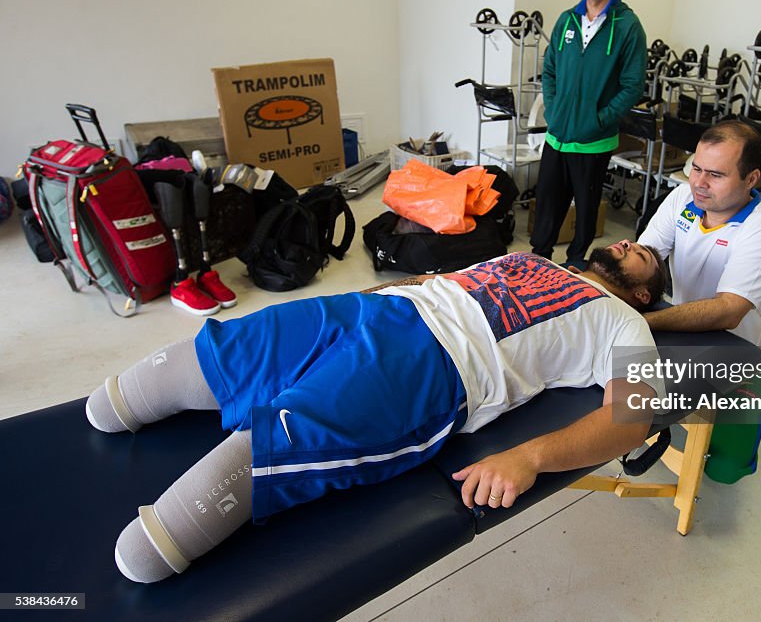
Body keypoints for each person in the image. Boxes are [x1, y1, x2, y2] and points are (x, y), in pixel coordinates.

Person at [86, 242, 667, 583]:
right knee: (146, 386)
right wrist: (384, 292)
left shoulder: (624, 321)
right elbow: (445, 279)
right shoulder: (531, 255)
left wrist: (530, 457)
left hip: (437, 368)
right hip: (379, 308)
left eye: (639, 255)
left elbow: (633, 417)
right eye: (626, 241)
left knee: (143, 555)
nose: (625, 245)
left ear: (643, 292)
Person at [638, 119, 761, 482]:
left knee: (725, 471)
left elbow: (729, 310)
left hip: (740, 357)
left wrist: (644, 321)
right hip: (683, 336)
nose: (699, 183)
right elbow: (644, 260)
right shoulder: (682, 199)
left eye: (716, 175)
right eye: (696, 168)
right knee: (644, 422)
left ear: (751, 179)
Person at [531, 0, 647, 264]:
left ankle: (576, 264)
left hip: (594, 141)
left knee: (585, 209)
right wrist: (553, 110)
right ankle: (537, 260)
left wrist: (598, 119)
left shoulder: (627, 27)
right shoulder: (567, 20)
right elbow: (550, 68)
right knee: (547, 204)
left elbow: (633, 85)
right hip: (557, 134)